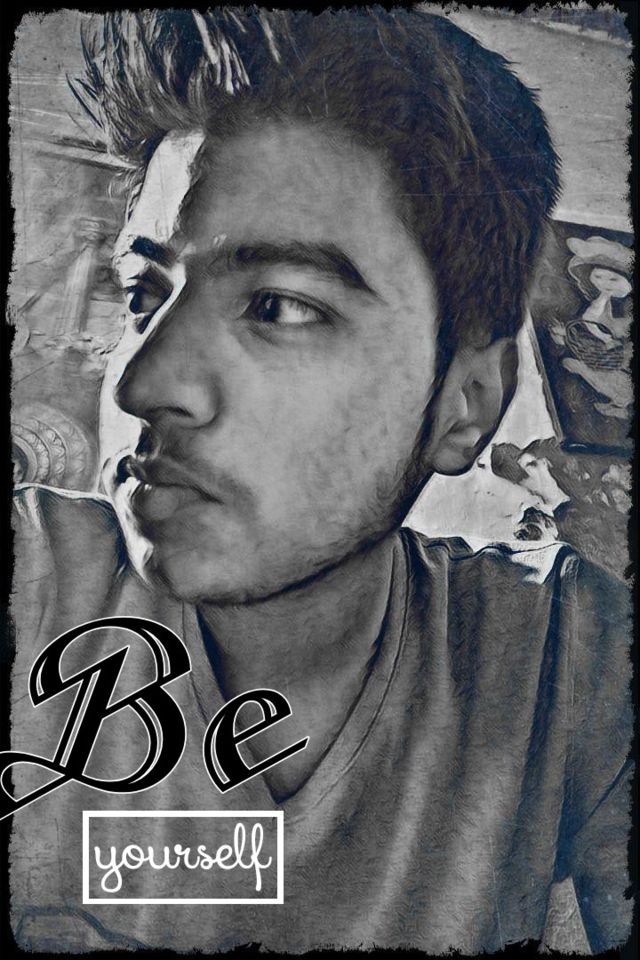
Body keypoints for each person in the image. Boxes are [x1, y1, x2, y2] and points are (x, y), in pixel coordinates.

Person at [9, 8, 631, 954]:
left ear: (464, 405)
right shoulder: (33, 588)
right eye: (145, 296)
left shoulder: (565, 661)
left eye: (279, 306)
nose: (143, 384)